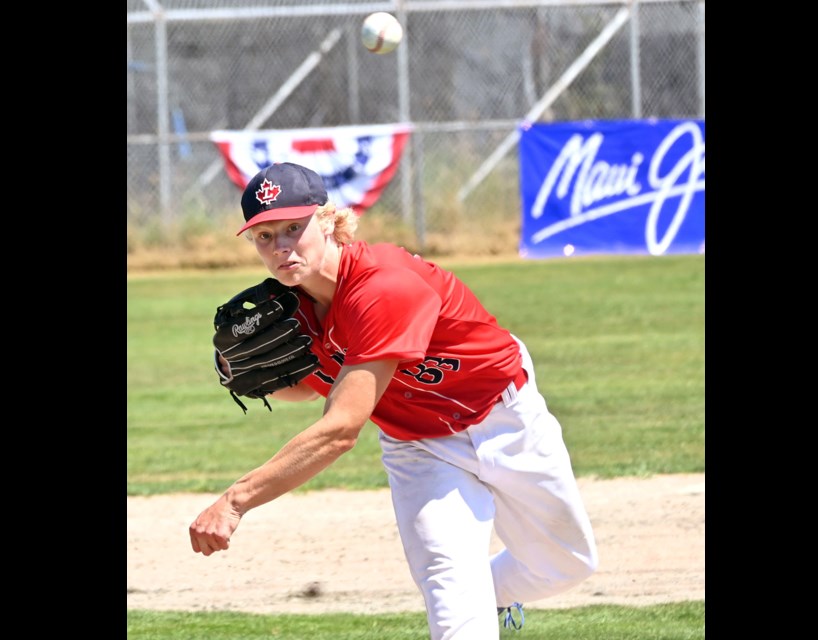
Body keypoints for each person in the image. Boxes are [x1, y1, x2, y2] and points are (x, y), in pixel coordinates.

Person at [189, 162, 598, 639]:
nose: (280, 246)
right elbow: (313, 384)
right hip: (419, 445)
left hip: (503, 414)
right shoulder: (290, 307)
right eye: (264, 236)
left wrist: (236, 500)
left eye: (293, 228)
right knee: (450, 588)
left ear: (327, 221)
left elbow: (340, 430)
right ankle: (467, 606)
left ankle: (488, 598)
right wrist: (243, 377)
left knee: (567, 564)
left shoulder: (384, 286)